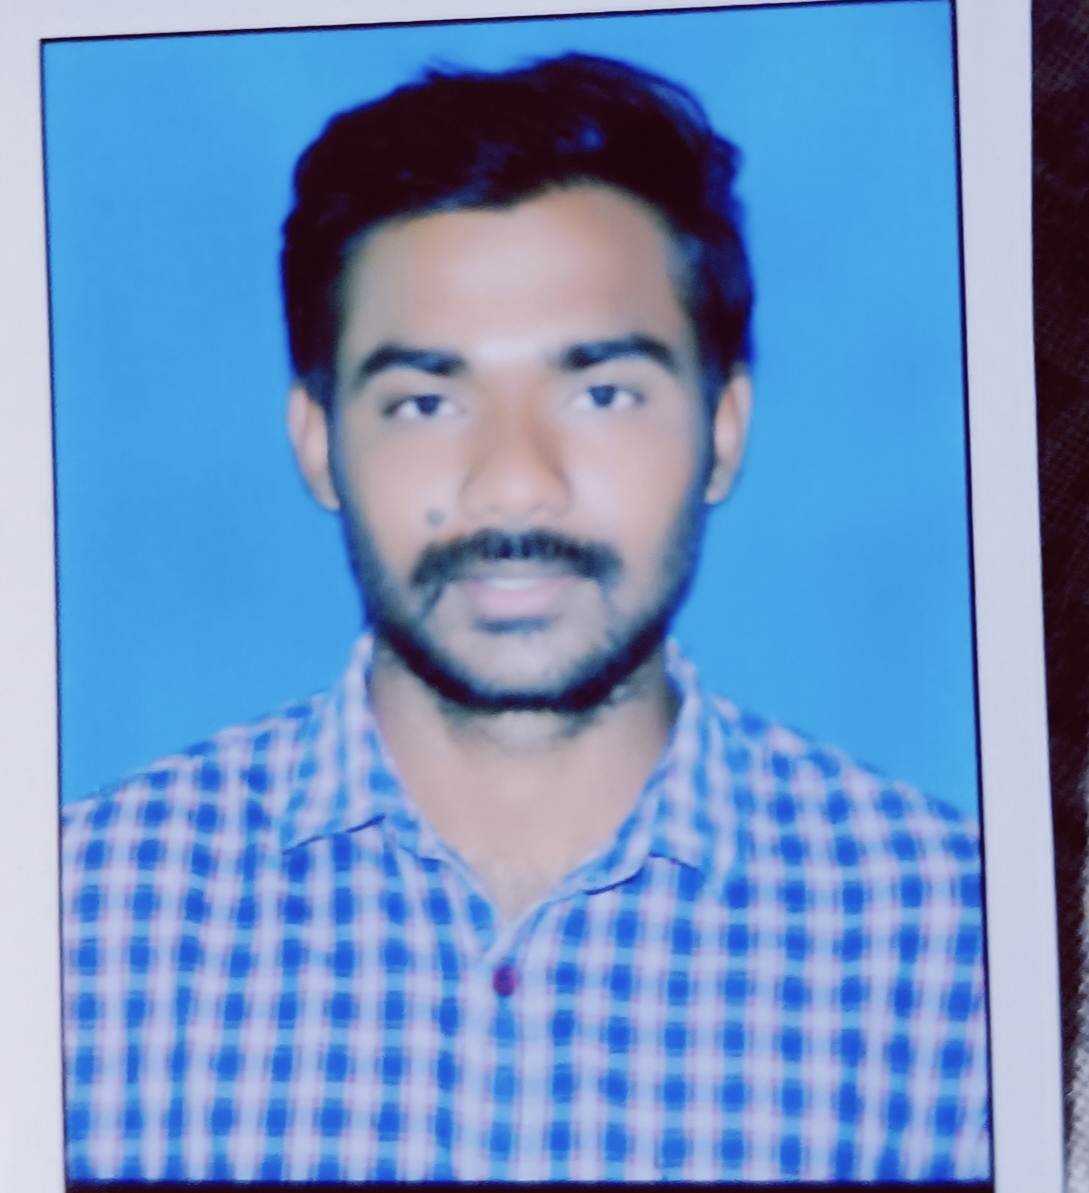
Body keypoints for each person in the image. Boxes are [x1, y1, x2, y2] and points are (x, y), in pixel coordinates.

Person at [60, 53, 989, 1183]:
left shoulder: (961, 943)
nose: (512, 484)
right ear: (317, 442)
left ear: (724, 430)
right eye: (425, 400)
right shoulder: (75, 926)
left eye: (600, 392)